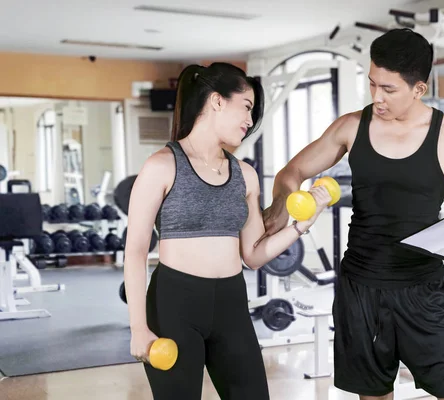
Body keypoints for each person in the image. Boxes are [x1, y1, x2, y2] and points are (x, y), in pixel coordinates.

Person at [258, 29, 444, 400]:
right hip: (361, 287)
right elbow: (290, 173)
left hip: (424, 291)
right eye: (372, 84)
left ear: (419, 89)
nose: (377, 97)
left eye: (388, 89)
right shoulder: (351, 126)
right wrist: (283, 207)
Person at [123, 62, 332, 400]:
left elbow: (253, 254)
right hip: (174, 303)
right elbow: (134, 251)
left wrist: (300, 227)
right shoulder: (161, 165)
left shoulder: (244, 174)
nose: (250, 121)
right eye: (246, 108)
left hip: (231, 304)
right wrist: (138, 328)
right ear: (217, 101)